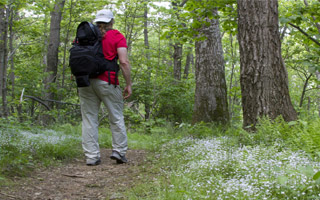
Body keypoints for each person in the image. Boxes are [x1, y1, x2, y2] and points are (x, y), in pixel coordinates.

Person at [78, 9, 132, 166]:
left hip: (85, 82)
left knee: (89, 119)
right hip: (108, 81)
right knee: (116, 117)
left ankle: (91, 156)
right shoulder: (116, 36)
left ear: (96, 21)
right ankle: (119, 152)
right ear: (112, 21)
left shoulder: (84, 35)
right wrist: (128, 83)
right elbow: (123, 62)